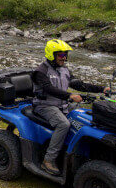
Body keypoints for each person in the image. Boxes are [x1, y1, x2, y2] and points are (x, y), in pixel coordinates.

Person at [33, 39, 109, 176]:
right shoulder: (41, 71)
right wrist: (69, 96)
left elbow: (79, 85)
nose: (65, 58)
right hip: (45, 106)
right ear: (52, 54)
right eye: (61, 55)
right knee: (63, 124)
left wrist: (101, 89)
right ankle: (48, 160)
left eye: (66, 55)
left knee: (86, 117)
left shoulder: (64, 70)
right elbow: (48, 89)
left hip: (62, 105)